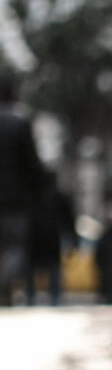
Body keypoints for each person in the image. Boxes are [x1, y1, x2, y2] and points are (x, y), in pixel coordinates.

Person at [0, 75, 45, 306]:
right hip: (13, 199)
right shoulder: (19, 123)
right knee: (15, 247)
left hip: (13, 198)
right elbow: (32, 163)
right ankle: (3, 285)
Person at [25, 171, 77, 306]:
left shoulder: (34, 196)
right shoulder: (35, 197)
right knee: (46, 269)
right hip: (43, 240)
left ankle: (41, 299)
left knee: (46, 270)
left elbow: (69, 221)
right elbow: (70, 221)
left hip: (39, 240)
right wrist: (72, 242)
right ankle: (48, 299)